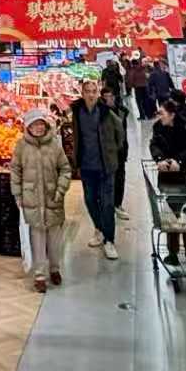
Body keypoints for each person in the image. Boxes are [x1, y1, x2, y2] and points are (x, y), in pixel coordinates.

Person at [9, 107, 71, 291]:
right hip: (32, 199)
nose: (38, 127)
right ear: (28, 127)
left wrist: (61, 189)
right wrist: (17, 193)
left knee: (54, 239)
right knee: (37, 238)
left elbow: (65, 169)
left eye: (41, 124)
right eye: (34, 124)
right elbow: (15, 170)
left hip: (53, 198)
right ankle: (39, 275)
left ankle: (55, 268)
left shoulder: (55, 145)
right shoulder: (21, 146)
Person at [68, 78, 126, 259]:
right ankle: (99, 229)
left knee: (107, 204)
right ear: (83, 93)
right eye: (88, 91)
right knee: (90, 200)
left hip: (105, 166)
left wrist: (112, 151)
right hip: (86, 165)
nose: (91, 95)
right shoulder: (77, 111)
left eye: (94, 91)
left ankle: (109, 240)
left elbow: (120, 132)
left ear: (97, 93)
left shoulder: (105, 112)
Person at [149, 98, 186, 267]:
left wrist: (179, 160)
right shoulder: (158, 127)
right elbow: (154, 144)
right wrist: (159, 159)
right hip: (167, 176)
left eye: (162, 113)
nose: (160, 116)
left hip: (185, 176)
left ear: (172, 114)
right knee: (171, 215)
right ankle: (173, 252)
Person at [100, 85, 131, 221]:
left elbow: (124, 133)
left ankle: (117, 204)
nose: (110, 99)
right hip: (106, 152)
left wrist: (124, 149)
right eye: (106, 97)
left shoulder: (121, 111)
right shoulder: (99, 113)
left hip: (120, 151)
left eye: (111, 96)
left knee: (120, 178)